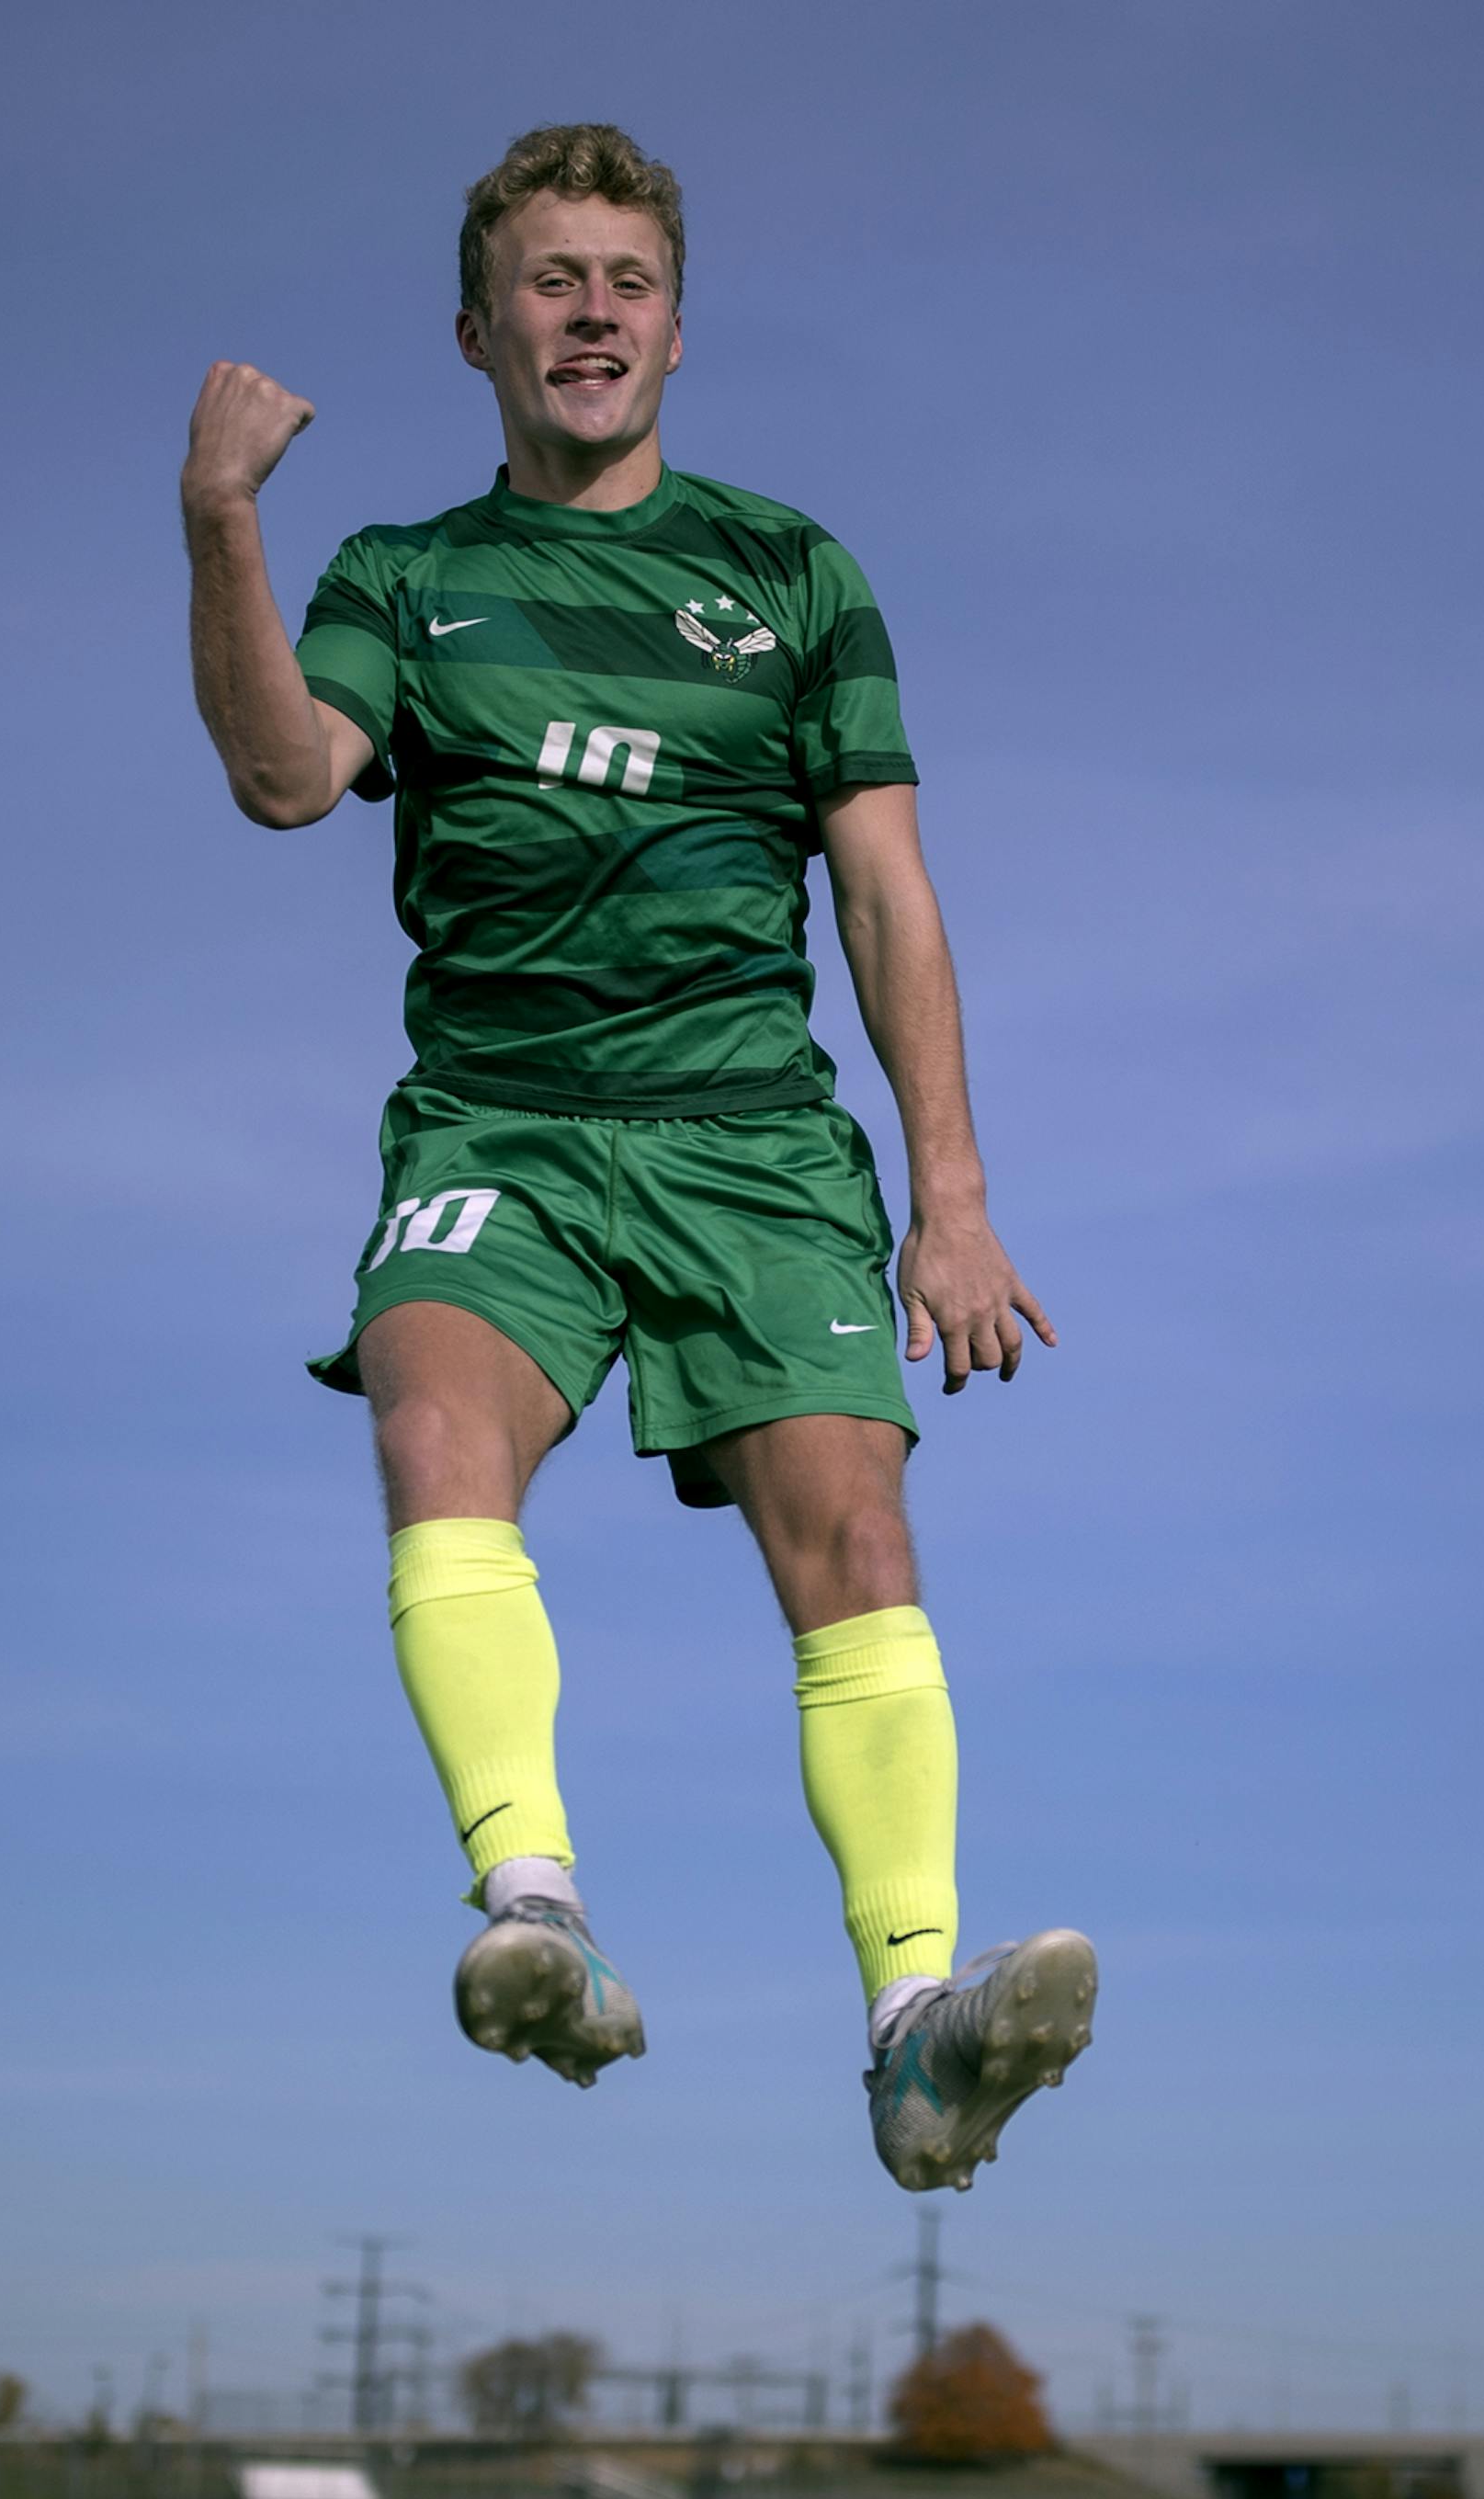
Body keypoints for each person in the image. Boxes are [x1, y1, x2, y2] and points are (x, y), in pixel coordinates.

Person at [180, 123, 1095, 2192]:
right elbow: (276, 777)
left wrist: (954, 1198)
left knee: (853, 1533)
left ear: (675, 326)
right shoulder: (401, 578)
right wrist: (220, 520)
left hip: (752, 1135)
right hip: (501, 1117)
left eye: (625, 281)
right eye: (550, 281)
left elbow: (887, 892)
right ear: (480, 328)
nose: (590, 313)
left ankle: (918, 2031)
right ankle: (536, 1911)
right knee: (432, 1416)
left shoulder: (790, 572)